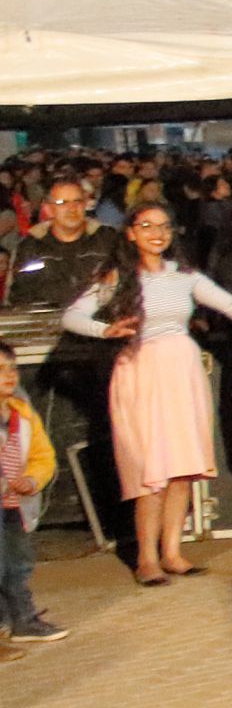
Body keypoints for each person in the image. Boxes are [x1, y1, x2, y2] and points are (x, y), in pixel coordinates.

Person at [60, 202, 232, 585]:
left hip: (182, 371)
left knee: (182, 467)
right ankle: (147, 558)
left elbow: (228, 303)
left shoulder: (184, 275)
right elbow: (72, 316)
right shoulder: (119, 276)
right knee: (151, 471)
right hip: (142, 373)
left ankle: (172, 552)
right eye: (147, 226)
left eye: (163, 226)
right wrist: (104, 330)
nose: (157, 234)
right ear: (131, 233)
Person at [11, 176, 127, 546]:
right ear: (48, 208)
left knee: (112, 437)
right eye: (62, 204)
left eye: (77, 201)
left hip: (105, 352)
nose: (71, 210)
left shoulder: (108, 240)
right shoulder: (30, 247)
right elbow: (20, 296)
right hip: (48, 358)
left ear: (87, 203)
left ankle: (118, 521)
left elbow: (126, 285)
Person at [0, 350, 66, 644]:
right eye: (0, 369)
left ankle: (22, 620)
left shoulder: (22, 414)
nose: (9, 375)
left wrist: (32, 479)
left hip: (13, 505)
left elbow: (42, 455)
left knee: (18, 564)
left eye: (12, 368)